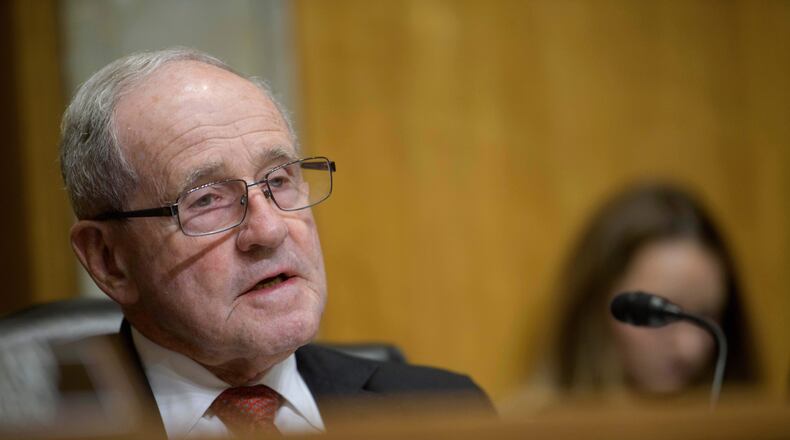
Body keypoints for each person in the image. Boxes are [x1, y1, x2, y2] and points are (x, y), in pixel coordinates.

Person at [59, 47, 491, 437]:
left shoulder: (446, 413)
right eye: (206, 199)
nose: (269, 230)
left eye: (279, 180)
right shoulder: (44, 428)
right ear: (108, 259)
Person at [531, 183, 761, 403]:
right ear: (596, 304)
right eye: (660, 314)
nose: (690, 349)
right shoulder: (530, 424)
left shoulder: (755, 421)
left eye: (707, 315)